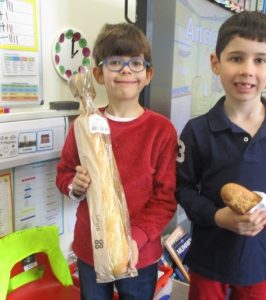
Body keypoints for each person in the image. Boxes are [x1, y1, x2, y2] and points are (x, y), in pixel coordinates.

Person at [176, 11, 266, 300]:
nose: (247, 70)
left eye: (259, 60)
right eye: (236, 58)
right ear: (215, 63)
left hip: (261, 259)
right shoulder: (196, 131)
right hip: (209, 259)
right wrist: (218, 216)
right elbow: (182, 189)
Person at [56, 22, 178, 300]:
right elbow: (63, 174)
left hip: (140, 252)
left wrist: (133, 238)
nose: (126, 70)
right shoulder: (84, 124)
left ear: (148, 74)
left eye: (136, 63)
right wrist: (74, 185)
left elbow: (165, 199)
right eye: (115, 62)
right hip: (91, 247)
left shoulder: (161, 131)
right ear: (99, 74)